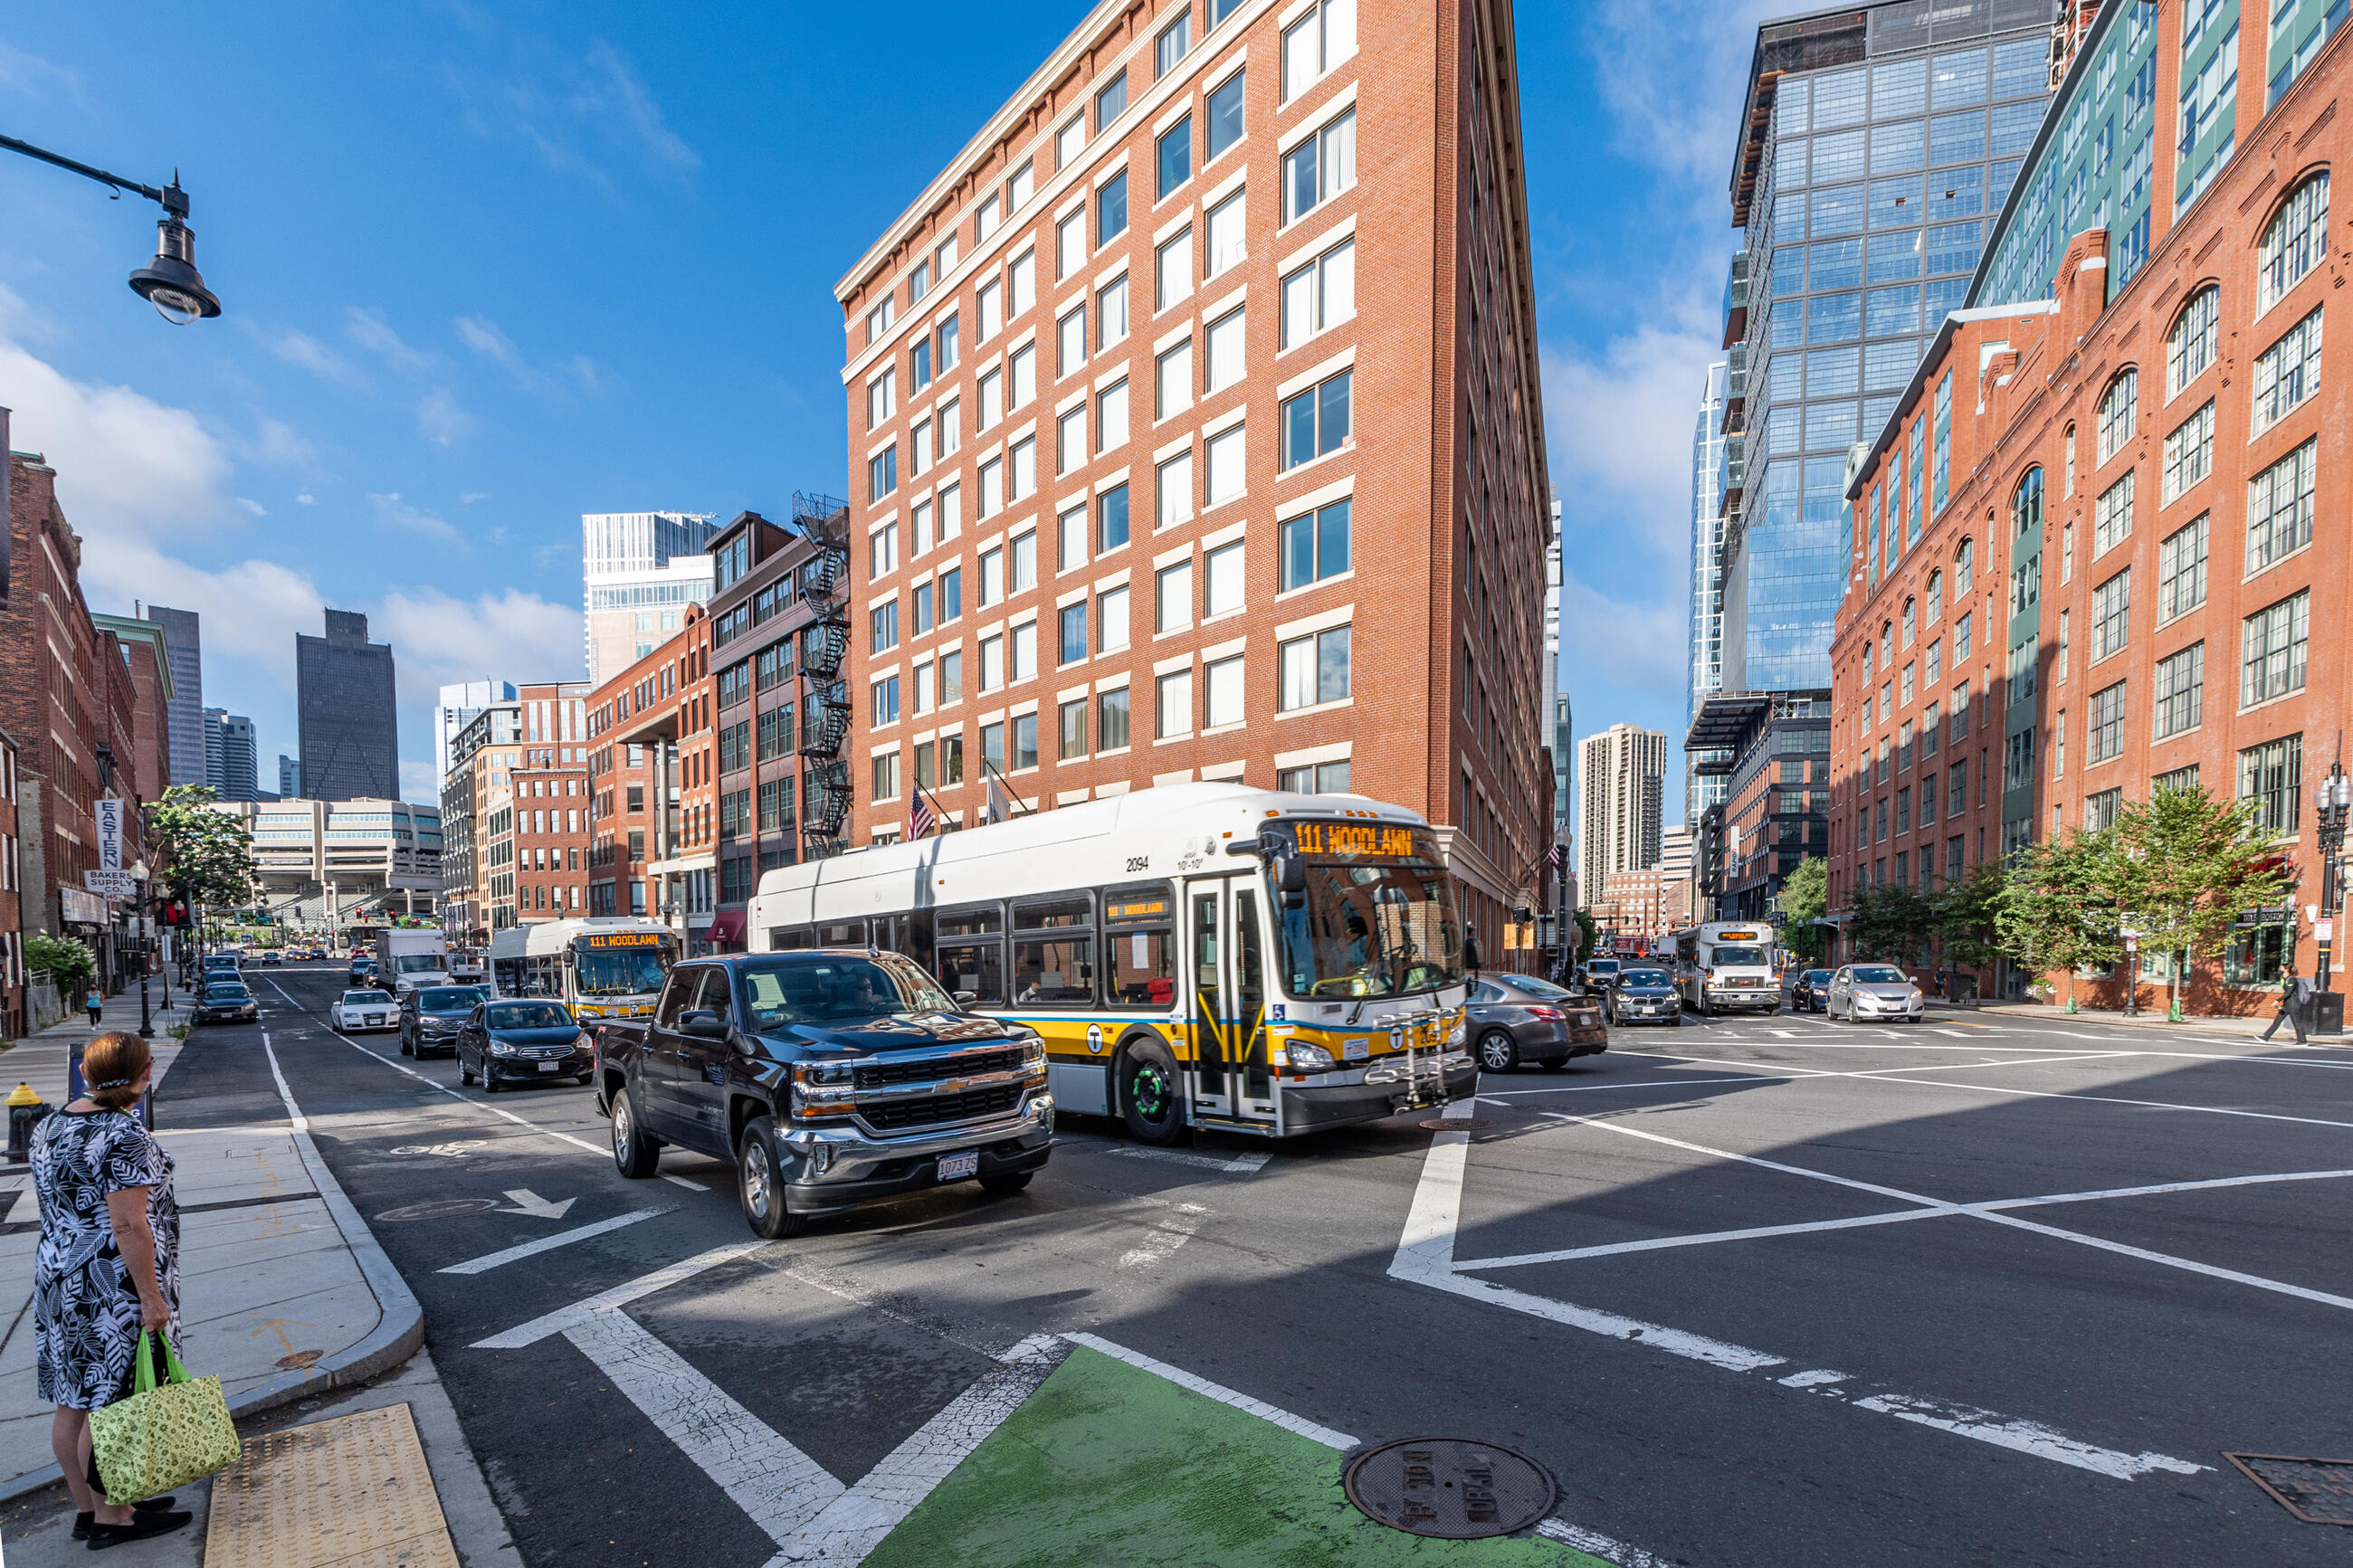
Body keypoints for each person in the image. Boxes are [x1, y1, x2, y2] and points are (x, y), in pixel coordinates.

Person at [30, 1032, 193, 1547]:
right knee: (112, 1400)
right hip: (111, 1285)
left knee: (72, 1399)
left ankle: (89, 1509)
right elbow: (128, 1226)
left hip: (58, 1277)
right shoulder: (124, 1135)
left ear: (85, 1071)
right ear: (145, 1077)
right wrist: (150, 1296)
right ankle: (114, 1518)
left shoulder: (48, 1124)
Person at [2262, 971, 2315, 1044]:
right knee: (2277, 1021)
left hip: (2293, 1004)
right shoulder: (2286, 979)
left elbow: (2288, 993)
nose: (2280, 971)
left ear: (2287, 970)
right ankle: (2266, 1037)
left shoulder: (2292, 980)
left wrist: (2277, 1000)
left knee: (2297, 1023)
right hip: (2287, 1004)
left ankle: (2302, 1041)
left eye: (2282, 969)